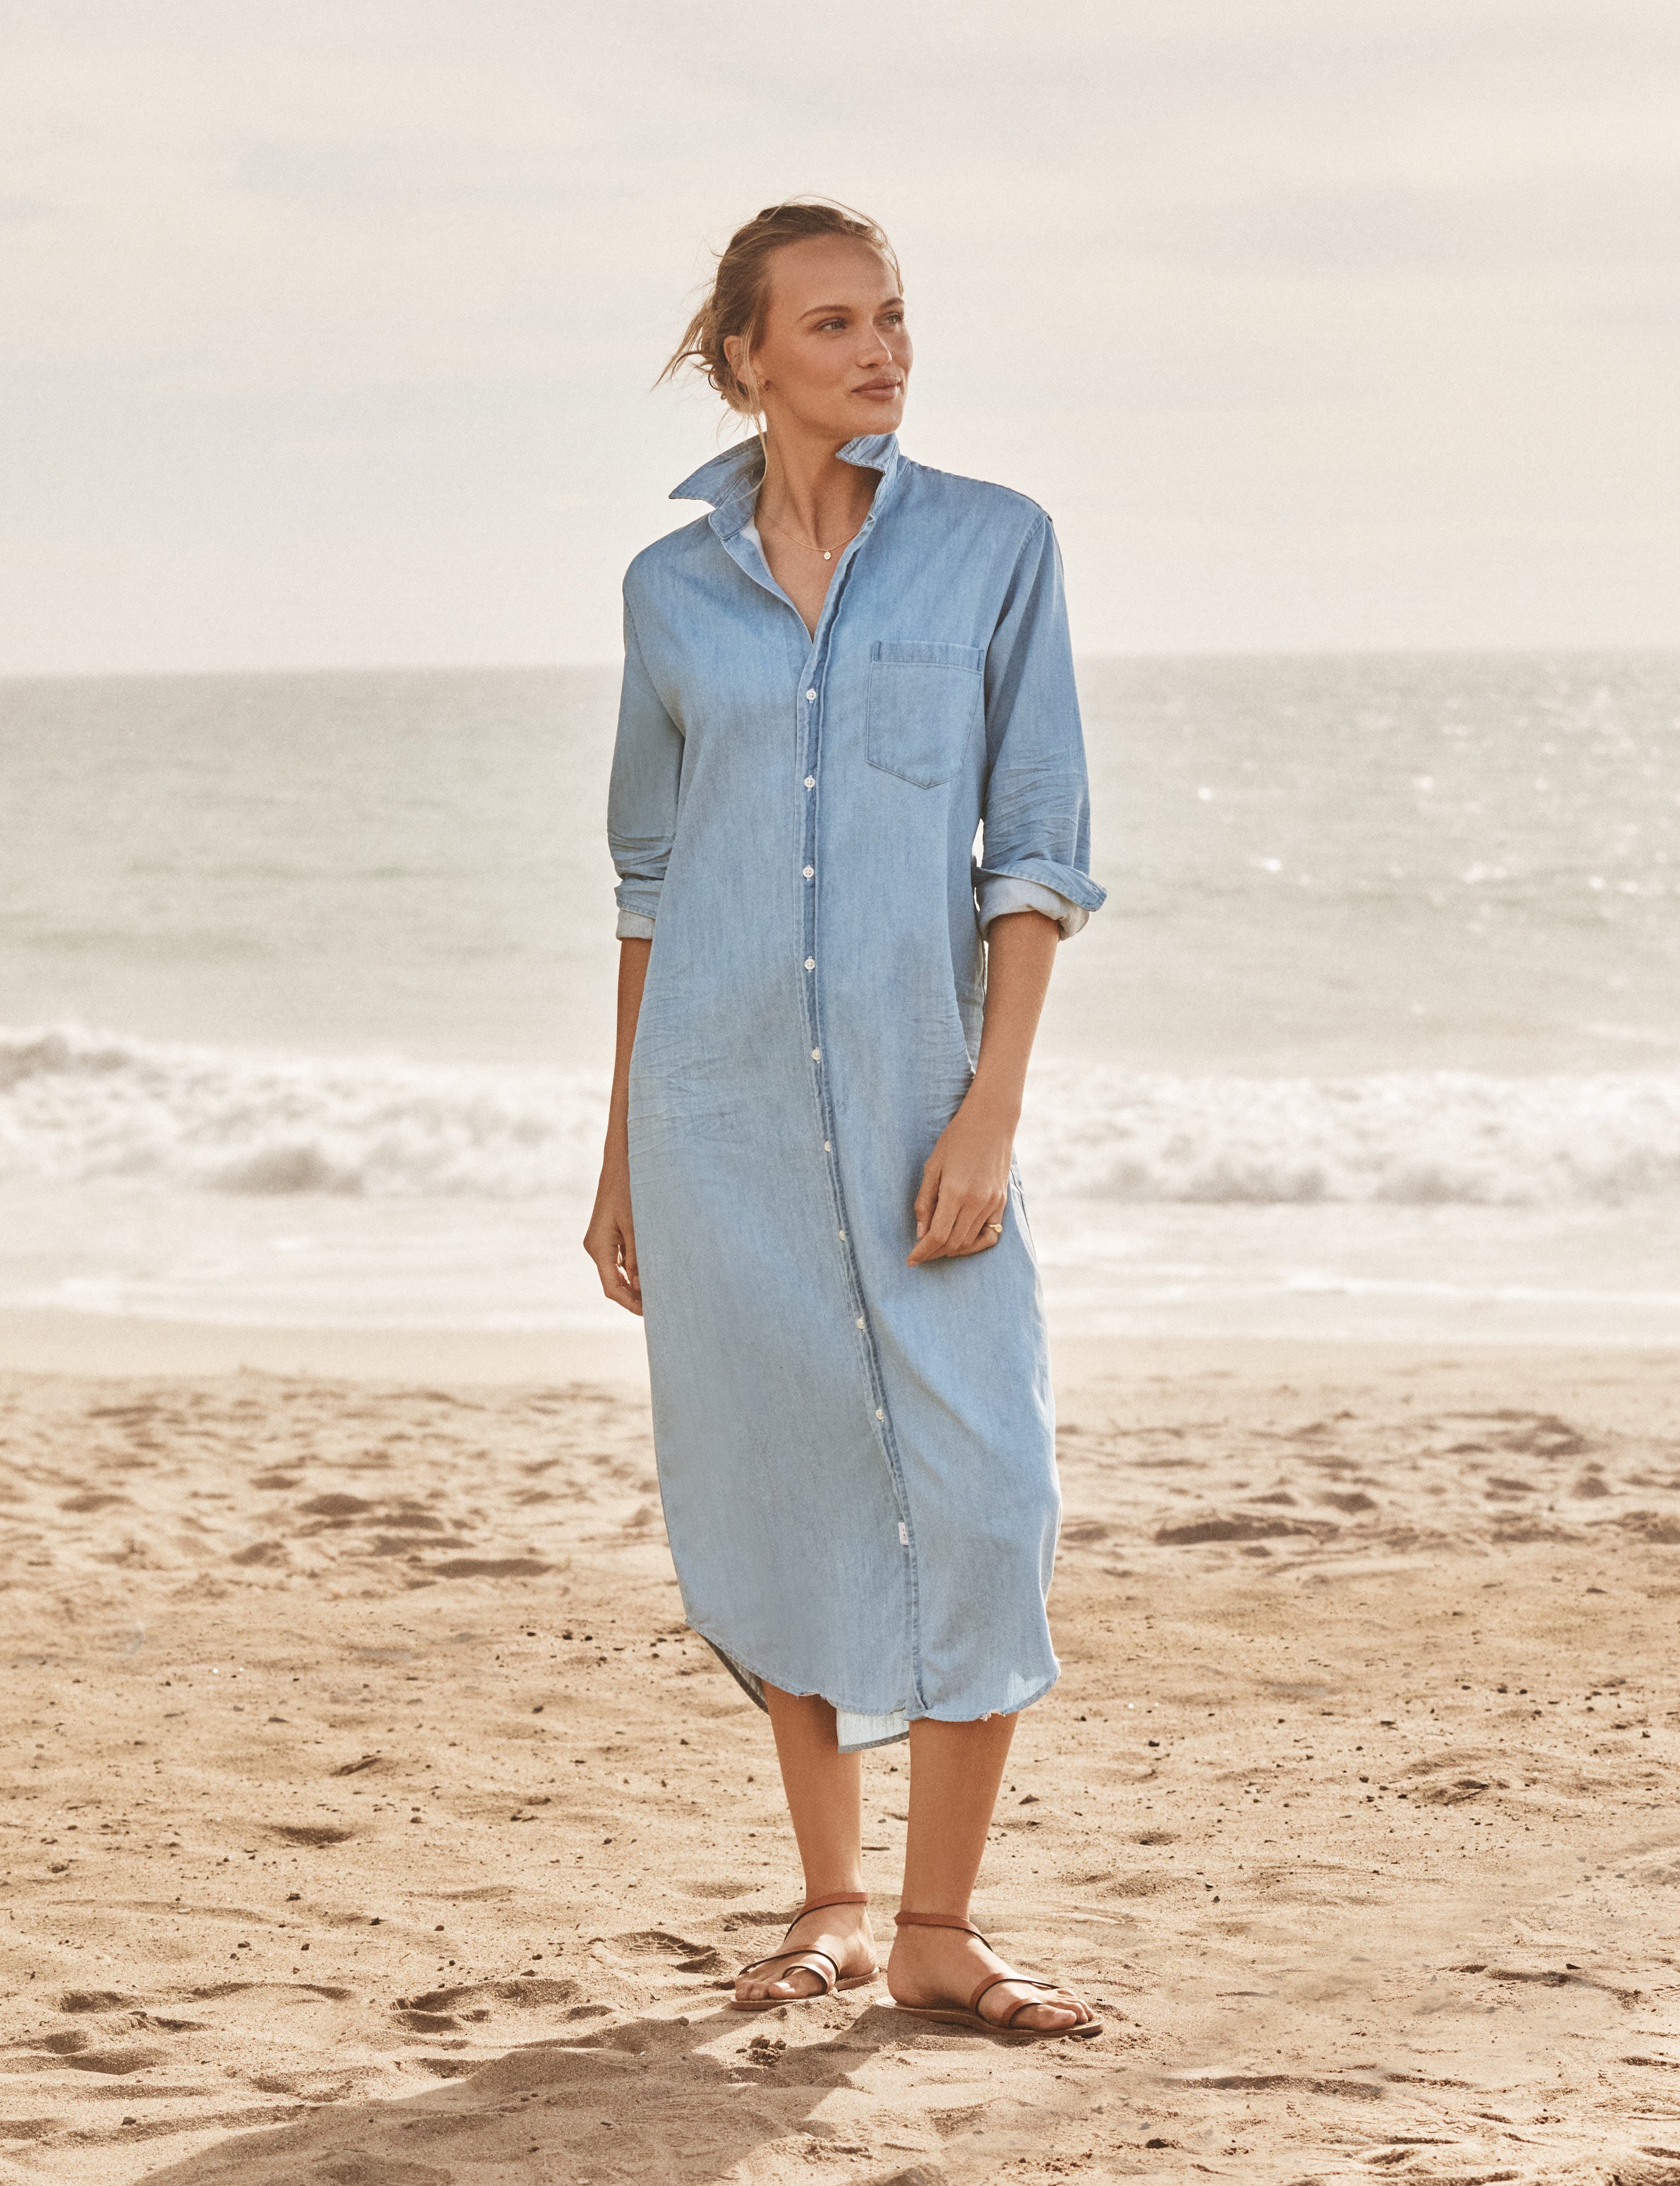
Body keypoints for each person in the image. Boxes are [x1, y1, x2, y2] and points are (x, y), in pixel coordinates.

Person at [584, 199, 1105, 2038]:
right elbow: (652, 881)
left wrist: (987, 1112)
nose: (878, 350)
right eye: (830, 325)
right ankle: (826, 1900)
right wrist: (619, 1152)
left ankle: (937, 1930)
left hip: (913, 1107)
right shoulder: (671, 592)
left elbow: (1033, 852)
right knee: (775, 1490)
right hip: (715, 1116)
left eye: (890, 318)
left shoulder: (991, 551)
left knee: (985, 1496)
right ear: (744, 358)